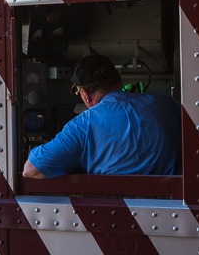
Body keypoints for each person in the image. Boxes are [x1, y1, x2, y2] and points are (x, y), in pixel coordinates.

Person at [23, 55, 182, 179]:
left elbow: (31, 170)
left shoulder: (83, 125)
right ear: (118, 81)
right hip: (177, 208)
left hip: (119, 213)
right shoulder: (168, 104)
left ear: (85, 94)